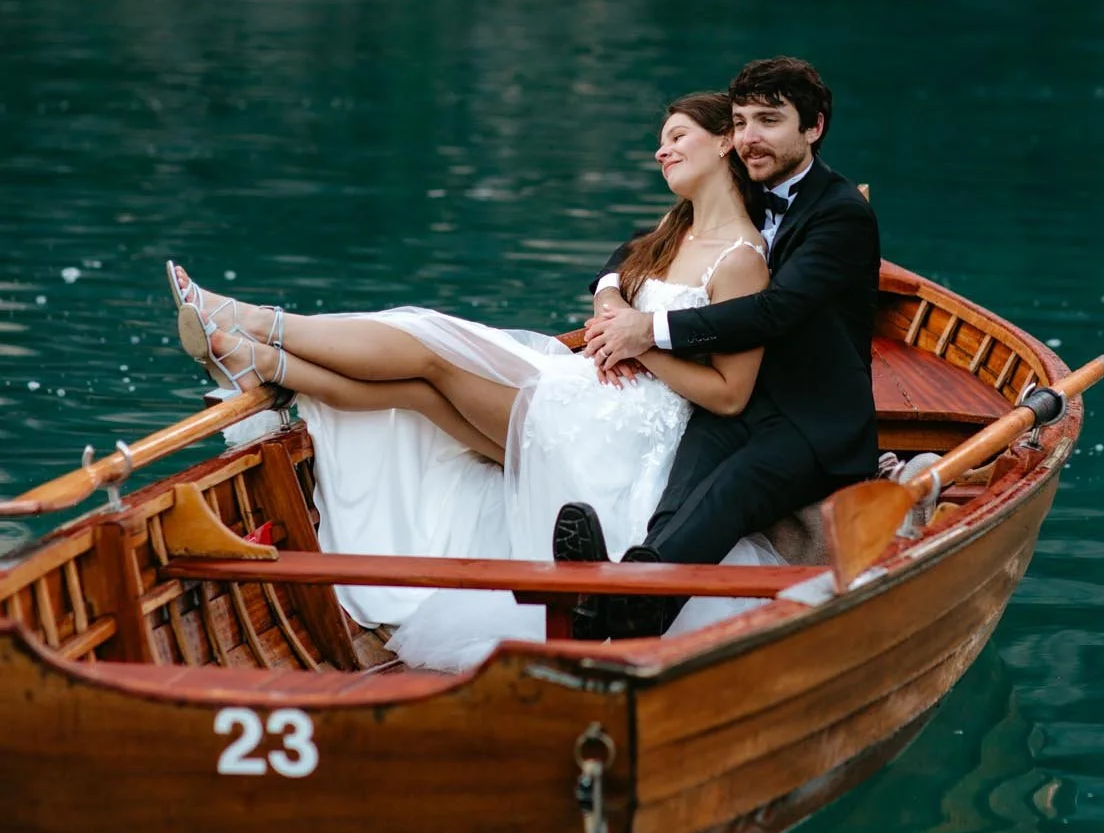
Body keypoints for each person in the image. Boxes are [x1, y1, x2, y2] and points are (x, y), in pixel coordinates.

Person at [166, 91, 773, 667]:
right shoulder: (671, 233)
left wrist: (641, 348)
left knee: (430, 346)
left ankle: (249, 321)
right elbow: (613, 293)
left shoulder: (741, 259)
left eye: (676, 136)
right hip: (586, 388)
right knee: (420, 394)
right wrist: (612, 315)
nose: (660, 151)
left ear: (724, 143)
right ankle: (266, 364)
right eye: (660, 141)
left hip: (618, 437)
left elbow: (730, 393)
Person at [569, 56, 880, 637]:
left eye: (769, 120)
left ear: (813, 128)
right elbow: (642, 243)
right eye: (739, 123)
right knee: (678, 495)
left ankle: (612, 600)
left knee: (730, 494)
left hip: (811, 420)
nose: (749, 138)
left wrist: (650, 331)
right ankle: (633, 604)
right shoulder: (747, 189)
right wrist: (611, 293)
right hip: (738, 398)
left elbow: (775, 311)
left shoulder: (842, 215)